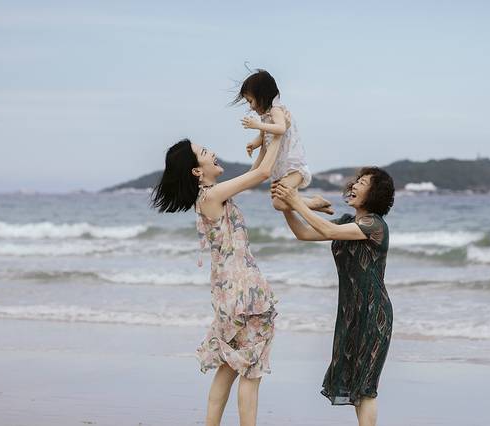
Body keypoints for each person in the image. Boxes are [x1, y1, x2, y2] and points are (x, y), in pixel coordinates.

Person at [151, 135, 283, 426]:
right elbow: (262, 173)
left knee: (228, 368)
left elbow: (254, 173)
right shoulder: (211, 196)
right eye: (205, 152)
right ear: (197, 171)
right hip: (245, 294)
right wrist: (278, 133)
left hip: (228, 294)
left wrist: (264, 141)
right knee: (250, 372)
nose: (213, 153)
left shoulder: (210, 196)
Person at [272, 167, 395, 426]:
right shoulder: (346, 222)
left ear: (374, 194)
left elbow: (328, 231)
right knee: (355, 384)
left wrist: (296, 202)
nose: (354, 185)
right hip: (350, 314)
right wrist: (288, 207)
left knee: (366, 388)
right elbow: (303, 233)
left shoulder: (374, 225)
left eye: (362, 182)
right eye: (356, 181)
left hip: (374, 314)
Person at [234, 68, 333, 214]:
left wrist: (257, 125)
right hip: (281, 170)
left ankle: (314, 202)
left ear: (262, 96)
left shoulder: (276, 110)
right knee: (279, 203)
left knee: (280, 201)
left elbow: (281, 128)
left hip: (293, 168)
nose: (251, 106)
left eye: (250, 101)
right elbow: (264, 136)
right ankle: (315, 205)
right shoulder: (265, 116)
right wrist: (254, 144)